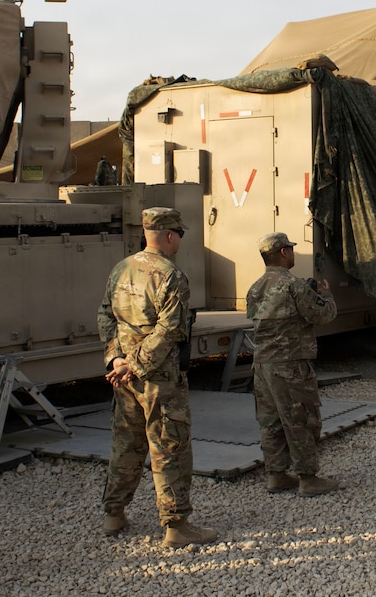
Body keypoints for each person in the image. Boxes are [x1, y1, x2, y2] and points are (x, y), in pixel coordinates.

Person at [97, 207, 217, 548]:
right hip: (159, 378)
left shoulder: (121, 268)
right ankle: (177, 526)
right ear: (168, 235)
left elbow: (106, 316)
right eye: (178, 233)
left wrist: (117, 359)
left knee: (126, 443)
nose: (179, 239)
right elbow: (169, 330)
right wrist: (134, 364)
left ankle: (114, 513)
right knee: (170, 447)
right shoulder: (171, 275)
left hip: (125, 378)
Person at [246, 232, 340, 497]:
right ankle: (308, 478)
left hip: (262, 365)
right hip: (291, 364)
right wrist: (326, 295)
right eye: (291, 249)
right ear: (284, 252)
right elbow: (322, 314)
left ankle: (276, 475)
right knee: (302, 419)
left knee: (271, 420)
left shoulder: (255, 287)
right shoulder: (294, 285)